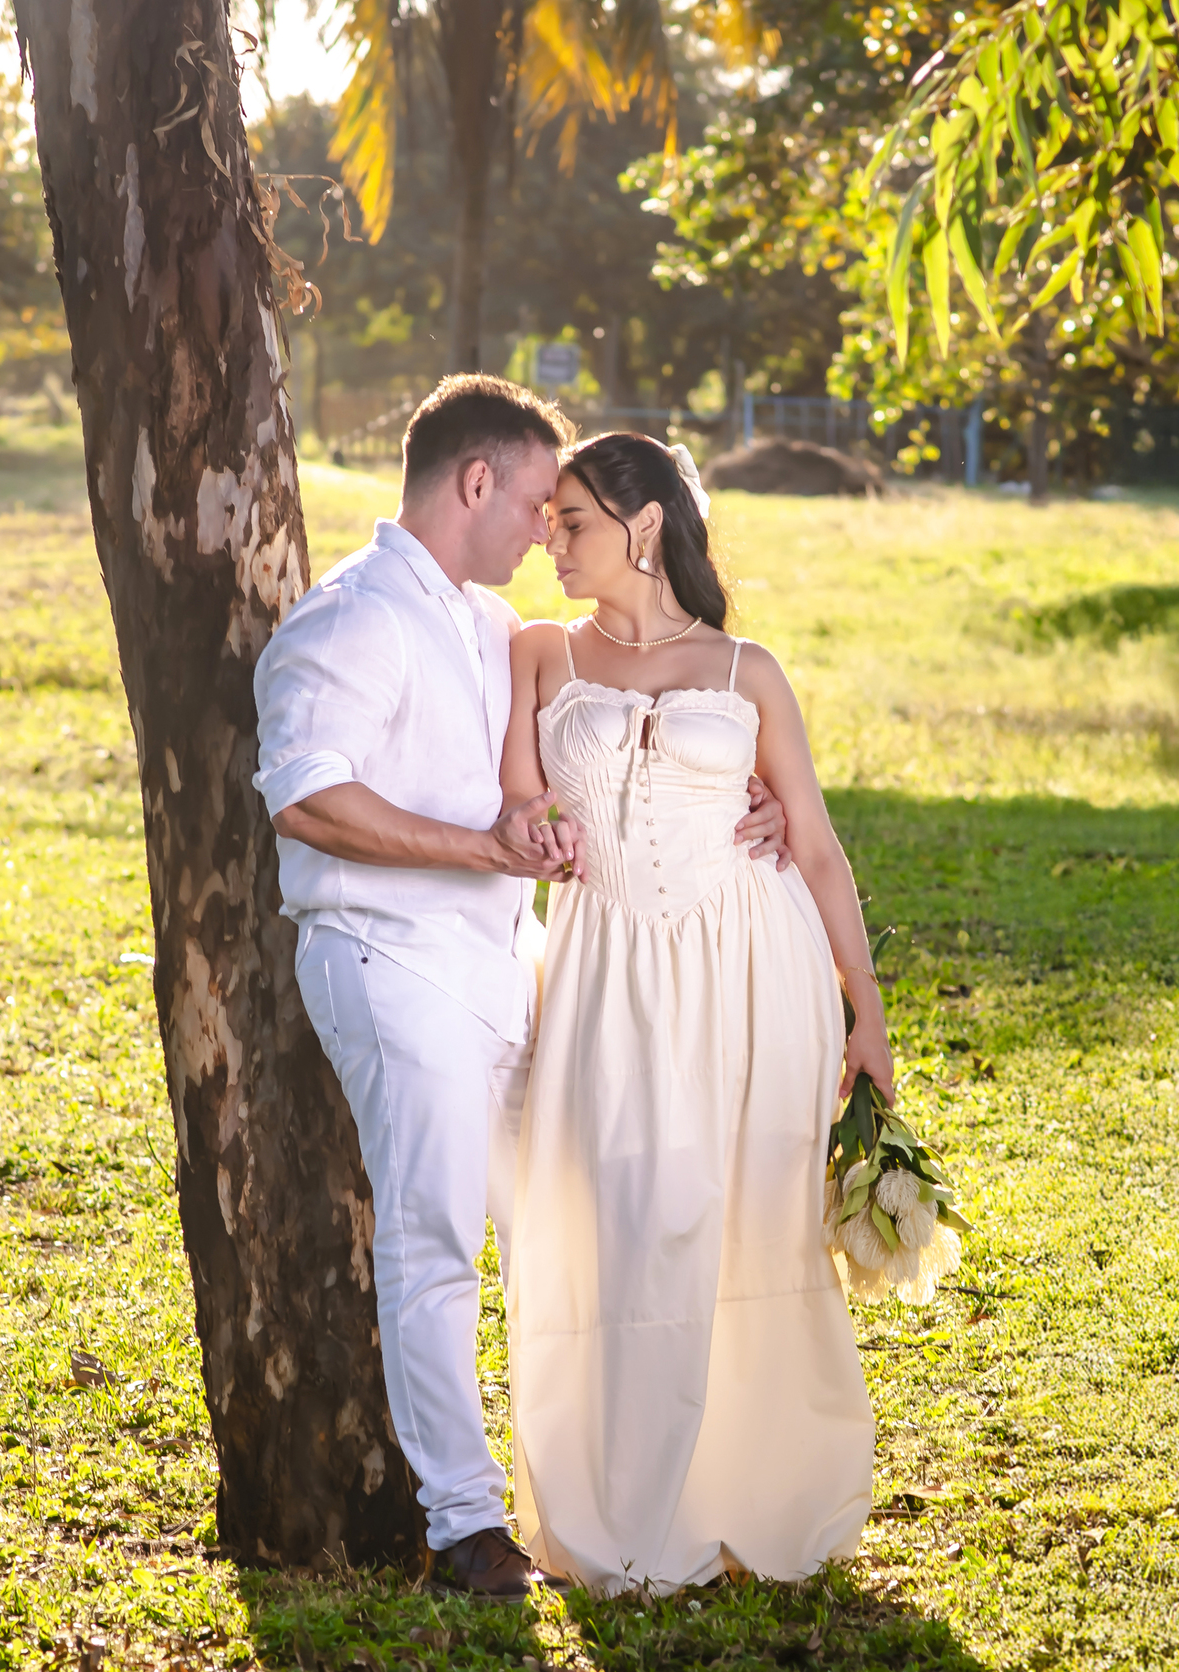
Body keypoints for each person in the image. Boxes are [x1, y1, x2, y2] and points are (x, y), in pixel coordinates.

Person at [252, 377, 790, 1597]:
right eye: (541, 501)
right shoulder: (349, 620)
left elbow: (594, 742)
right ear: (476, 480)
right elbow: (307, 797)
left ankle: (606, 1491)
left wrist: (734, 791)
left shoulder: (492, 624)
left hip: (505, 969)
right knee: (435, 1234)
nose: (551, 530)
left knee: (567, 1224)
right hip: (390, 961)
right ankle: (464, 1526)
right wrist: (482, 852)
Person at [501, 431, 896, 1594]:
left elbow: (815, 849)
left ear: (644, 525)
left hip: (752, 963)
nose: (552, 539)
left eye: (573, 520)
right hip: (607, 969)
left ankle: (754, 1495)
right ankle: (625, 1511)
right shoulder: (537, 653)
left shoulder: (746, 670)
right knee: (625, 1220)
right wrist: (535, 829)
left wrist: (865, 1014)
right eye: (549, 519)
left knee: (750, 1217)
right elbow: (517, 802)